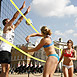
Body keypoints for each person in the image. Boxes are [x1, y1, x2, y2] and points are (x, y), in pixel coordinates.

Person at [0, 1, 31, 77]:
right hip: (3, 49)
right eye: (8, 21)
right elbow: (14, 17)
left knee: (7, 69)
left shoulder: (12, 29)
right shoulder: (6, 28)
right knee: (4, 69)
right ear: (6, 23)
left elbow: (19, 20)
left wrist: (26, 13)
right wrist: (21, 8)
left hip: (9, 50)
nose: (11, 22)